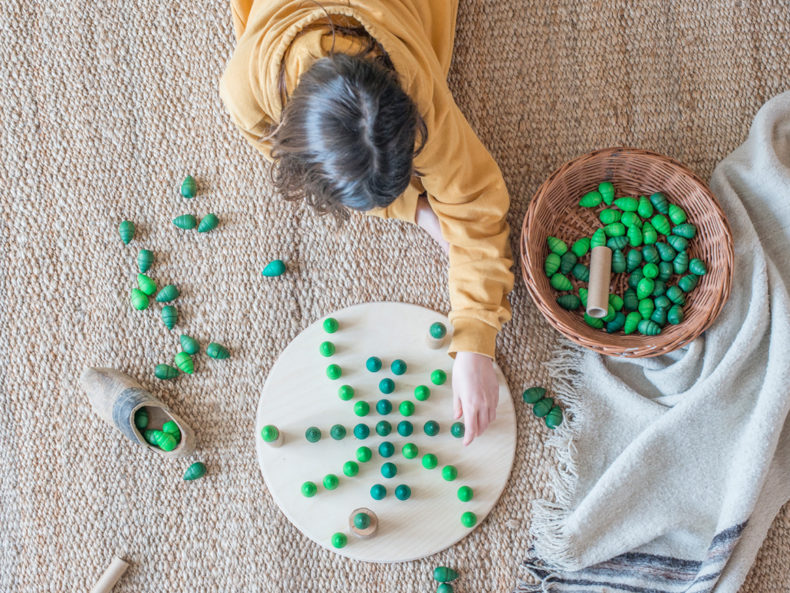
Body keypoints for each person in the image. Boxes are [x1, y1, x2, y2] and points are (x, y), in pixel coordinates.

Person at [220, 0, 514, 444]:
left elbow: (475, 203)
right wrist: (415, 209)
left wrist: (475, 339)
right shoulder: (246, 91)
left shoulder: (422, 96)